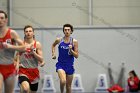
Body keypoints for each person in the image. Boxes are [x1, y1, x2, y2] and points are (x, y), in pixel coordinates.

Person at [0, 10, 25, 93]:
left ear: (6, 20)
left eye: (2, 18)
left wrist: (10, 46)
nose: (0, 20)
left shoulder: (12, 33)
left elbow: (24, 48)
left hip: (10, 67)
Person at [52, 24, 79, 93]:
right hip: (60, 64)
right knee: (63, 81)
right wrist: (53, 54)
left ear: (71, 31)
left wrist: (71, 50)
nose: (67, 31)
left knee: (68, 86)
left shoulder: (74, 41)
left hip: (69, 65)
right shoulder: (59, 40)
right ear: (63, 31)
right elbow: (53, 45)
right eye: (65, 30)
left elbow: (76, 56)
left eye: (68, 30)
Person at [18, 25, 45, 93]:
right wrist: (17, 64)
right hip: (23, 71)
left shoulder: (37, 44)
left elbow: (41, 59)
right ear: (24, 33)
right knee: (26, 89)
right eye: (26, 31)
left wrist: (34, 53)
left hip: (34, 71)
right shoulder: (21, 44)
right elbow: (16, 58)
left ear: (33, 33)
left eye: (30, 31)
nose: (28, 33)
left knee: (31, 91)